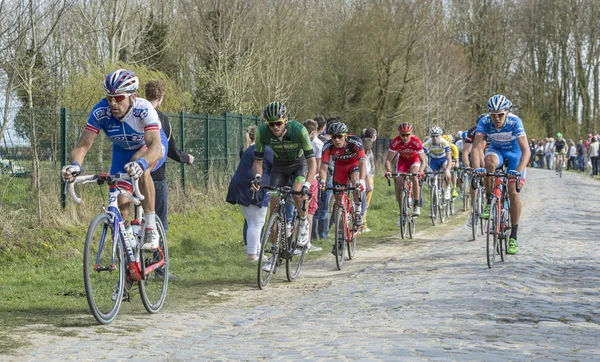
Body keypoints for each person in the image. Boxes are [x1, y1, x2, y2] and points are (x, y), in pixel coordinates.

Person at [62, 69, 168, 250]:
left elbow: (155, 147)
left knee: (142, 170)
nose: (112, 103)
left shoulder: (143, 109)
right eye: (109, 97)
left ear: (132, 97)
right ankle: (126, 251)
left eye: (118, 98)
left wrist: (142, 163)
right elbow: (82, 146)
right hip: (122, 151)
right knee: (120, 203)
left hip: (149, 147)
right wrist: (75, 165)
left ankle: (150, 226)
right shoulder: (101, 111)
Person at [251, 102, 317, 272]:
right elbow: (257, 161)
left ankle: (303, 224)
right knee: (273, 207)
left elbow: (312, 162)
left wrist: (307, 184)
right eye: (270, 124)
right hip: (279, 167)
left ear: (285, 120)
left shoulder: (298, 130)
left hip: (299, 164)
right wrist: (258, 177)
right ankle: (273, 256)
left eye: (278, 123)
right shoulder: (261, 133)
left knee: (297, 193)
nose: (274, 127)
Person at [473, 94, 531, 255]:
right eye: (493, 115)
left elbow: (526, 150)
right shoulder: (484, 121)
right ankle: (489, 198)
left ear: (507, 112)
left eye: (500, 114)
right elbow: (477, 148)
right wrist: (478, 168)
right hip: (496, 151)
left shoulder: (515, 121)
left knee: (513, 193)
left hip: (515, 154)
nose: (496, 118)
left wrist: (517, 172)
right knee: (489, 163)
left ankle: (513, 235)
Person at [143, 80, 194, 235]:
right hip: (156, 176)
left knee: (141, 217)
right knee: (159, 220)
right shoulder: (162, 119)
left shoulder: (137, 114)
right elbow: (169, 149)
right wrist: (186, 158)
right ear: (161, 97)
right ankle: (159, 257)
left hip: (135, 173)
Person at [226, 125, 274, 261]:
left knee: (253, 221)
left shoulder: (251, 148)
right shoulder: (268, 150)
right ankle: (252, 255)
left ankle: (258, 252)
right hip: (251, 186)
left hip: (239, 185)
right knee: (257, 223)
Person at [318, 122, 366, 254]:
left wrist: (361, 181)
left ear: (345, 136)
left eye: (339, 136)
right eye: (334, 137)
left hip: (354, 165)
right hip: (340, 169)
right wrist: (322, 181)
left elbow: (362, 163)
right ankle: (339, 239)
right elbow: (323, 167)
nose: (337, 140)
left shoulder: (355, 142)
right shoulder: (327, 146)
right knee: (339, 201)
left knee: (356, 183)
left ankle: (357, 211)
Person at [385, 122, 426, 221]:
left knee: (414, 177)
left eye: (407, 134)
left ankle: (416, 204)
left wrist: (420, 171)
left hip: (414, 160)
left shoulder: (416, 141)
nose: (405, 137)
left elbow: (423, 161)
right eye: (402, 135)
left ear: (411, 133)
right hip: (402, 161)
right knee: (399, 182)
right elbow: (388, 160)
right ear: (399, 134)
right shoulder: (396, 142)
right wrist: (388, 171)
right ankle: (402, 213)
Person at [303, 119, 323, 252]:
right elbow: (318, 165)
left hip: (298, 176)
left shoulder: (299, 140)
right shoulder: (318, 144)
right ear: (314, 131)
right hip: (311, 179)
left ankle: (298, 240)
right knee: (309, 211)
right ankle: (307, 241)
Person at [313, 116, 332, 240]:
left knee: (314, 207)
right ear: (324, 127)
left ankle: (312, 235)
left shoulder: (310, 140)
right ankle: (323, 233)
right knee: (324, 207)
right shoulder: (324, 143)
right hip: (325, 175)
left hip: (313, 177)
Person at [422, 127, 453, 200]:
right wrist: (425, 167)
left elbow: (449, 158)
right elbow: (422, 156)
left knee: (447, 174)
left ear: (440, 136)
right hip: (433, 160)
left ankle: (447, 188)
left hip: (443, 160)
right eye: (433, 136)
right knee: (432, 177)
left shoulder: (445, 143)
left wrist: (448, 169)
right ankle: (435, 190)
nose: (435, 138)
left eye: (437, 136)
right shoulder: (427, 143)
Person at [442, 134, 459, 198]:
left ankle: (454, 188)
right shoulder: (441, 146)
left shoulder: (453, 147)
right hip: (444, 160)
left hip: (452, 160)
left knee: (452, 171)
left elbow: (456, 160)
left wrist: (456, 166)